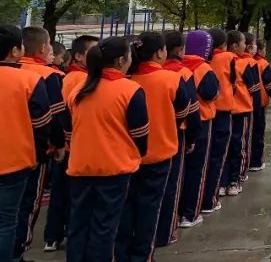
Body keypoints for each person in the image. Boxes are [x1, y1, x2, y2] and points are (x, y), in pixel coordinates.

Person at [65, 37, 149, 262]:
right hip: (114, 169)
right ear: (121, 60)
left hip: (80, 168)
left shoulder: (79, 90)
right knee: (106, 228)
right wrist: (137, 153)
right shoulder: (130, 90)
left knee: (78, 226)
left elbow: (68, 129)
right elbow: (140, 134)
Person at [115, 32, 193, 262]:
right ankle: (144, 254)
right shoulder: (171, 79)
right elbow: (183, 112)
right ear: (161, 52)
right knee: (150, 206)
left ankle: (122, 253)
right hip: (160, 151)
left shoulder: (126, 81)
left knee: (127, 206)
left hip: (129, 154)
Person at [0, 25, 52, 262]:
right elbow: (42, 124)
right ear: (15, 50)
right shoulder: (30, 80)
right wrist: (40, 154)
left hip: (15, 162)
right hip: (14, 162)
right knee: (7, 221)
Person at [44, 34, 98, 254]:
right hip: (73, 145)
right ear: (78, 56)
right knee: (68, 193)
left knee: (61, 191)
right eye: (93, 51)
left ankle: (53, 236)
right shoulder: (77, 80)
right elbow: (64, 114)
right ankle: (61, 234)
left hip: (69, 143)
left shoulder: (73, 77)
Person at [15, 26, 65, 261]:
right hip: (34, 153)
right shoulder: (48, 76)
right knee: (27, 205)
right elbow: (54, 118)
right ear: (44, 48)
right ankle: (18, 251)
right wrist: (59, 145)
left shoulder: (12, 69)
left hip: (8, 149)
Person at [156, 31, 199, 248]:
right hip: (171, 136)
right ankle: (166, 232)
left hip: (140, 140)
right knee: (171, 184)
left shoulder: (134, 76)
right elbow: (189, 108)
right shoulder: (180, 74)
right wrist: (192, 135)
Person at [179, 30, 219, 229]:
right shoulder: (202, 68)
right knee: (198, 168)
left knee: (180, 170)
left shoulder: (175, 66)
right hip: (201, 121)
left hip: (178, 124)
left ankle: (176, 213)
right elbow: (211, 93)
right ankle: (191, 212)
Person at [204, 28, 235, 213]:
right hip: (223, 108)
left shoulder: (202, 62)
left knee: (207, 155)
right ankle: (216, 191)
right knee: (220, 153)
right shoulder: (228, 58)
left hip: (206, 113)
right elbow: (232, 81)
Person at [225, 31, 258, 196]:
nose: (245, 46)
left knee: (226, 146)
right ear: (235, 46)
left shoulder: (217, 62)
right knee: (240, 145)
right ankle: (236, 179)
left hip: (224, 111)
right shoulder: (244, 64)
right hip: (242, 109)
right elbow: (253, 87)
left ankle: (223, 183)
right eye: (244, 43)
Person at [251, 38, 271, 172]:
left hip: (244, 105)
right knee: (258, 133)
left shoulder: (241, 61)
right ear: (259, 49)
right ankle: (255, 162)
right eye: (264, 48)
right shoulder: (262, 64)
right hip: (259, 104)